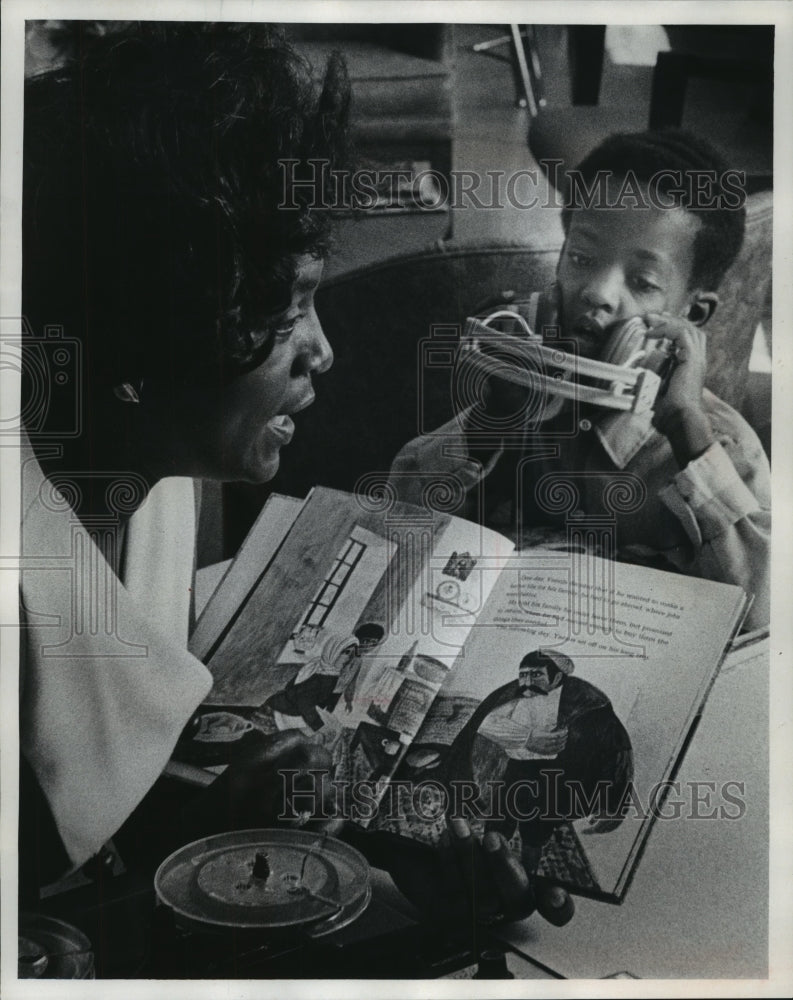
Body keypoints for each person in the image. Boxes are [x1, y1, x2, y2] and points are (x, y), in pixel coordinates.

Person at [18, 21, 555, 930]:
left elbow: (114, 806)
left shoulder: (162, 474)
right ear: (153, 335)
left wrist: (300, 829)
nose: (325, 351)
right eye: (289, 309)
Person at [389, 129, 771, 631]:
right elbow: (397, 517)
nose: (597, 292)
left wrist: (685, 430)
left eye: (643, 282)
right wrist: (491, 421)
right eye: (581, 259)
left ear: (691, 313)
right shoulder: (519, 396)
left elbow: (765, 620)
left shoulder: (718, 447)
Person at [443, 650, 633, 875]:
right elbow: (486, 723)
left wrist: (614, 804)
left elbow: (617, 749)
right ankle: (490, 867)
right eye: (523, 675)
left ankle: (527, 874)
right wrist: (527, 738)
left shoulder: (588, 704)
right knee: (497, 824)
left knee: (534, 834)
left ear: (557, 678)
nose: (527, 682)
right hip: (512, 772)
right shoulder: (515, 695)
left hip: (550, 779)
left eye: (536, 675)